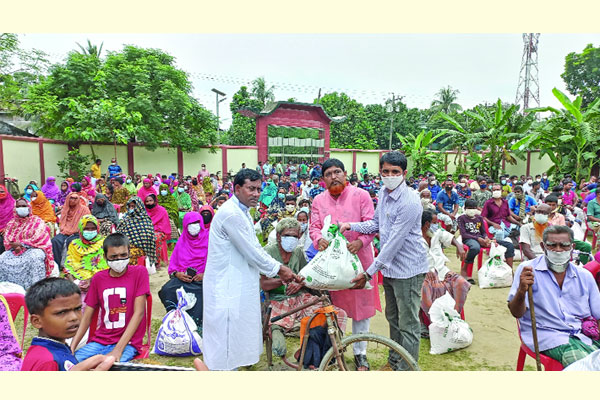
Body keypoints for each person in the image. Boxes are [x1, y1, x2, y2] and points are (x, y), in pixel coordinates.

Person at [203, 168, 299, 371]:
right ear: (237, 189)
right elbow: (252, 253)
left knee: (235, 335)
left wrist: (277, 268)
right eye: (251, 189)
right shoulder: (231, 214)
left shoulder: (242, 212)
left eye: (258, 189)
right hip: (226, 285)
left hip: (237, 282)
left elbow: (255, 247)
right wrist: (281, 270)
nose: (256, 193)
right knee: (226, 336)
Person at [339, 151, 428, 371]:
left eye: (395, 172)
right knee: (393, 317)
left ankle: (407, 369)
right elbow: (376, 224)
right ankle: (395, 360)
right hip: (390, 269)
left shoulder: (410, 201)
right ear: (380, 172)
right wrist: (352, 225)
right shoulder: (384, 192)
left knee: (408, 324)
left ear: (404, 173)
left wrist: (368, 273)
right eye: (386, 171)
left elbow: (393, 244)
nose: (390, 175)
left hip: (408, 269)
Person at [309, 158, 380, 371]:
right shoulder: (318, 201)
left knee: (361, 309)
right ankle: (335, 349)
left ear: (345, 173)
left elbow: (372, 224)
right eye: (328, 174)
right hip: (332, 264)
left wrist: (361, 241)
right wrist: (317, 239)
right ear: (323, 179)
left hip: (360, 260)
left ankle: (361, 353)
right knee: (335, 309)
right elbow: (314, 227)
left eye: (337, 172)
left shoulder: (361, 195)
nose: (334, 177)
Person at [508, 225, 600, 367]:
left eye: (564, 245)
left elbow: (598, 313)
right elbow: (516, 312)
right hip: (547, 335)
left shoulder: (584, 276)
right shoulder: (528, 270)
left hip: (582, 333)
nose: (558, 250)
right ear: (543, 246)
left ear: (572, 246)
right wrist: (521, 290)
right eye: (552, 245)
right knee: (583, 366)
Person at [261, 218, 348, 360]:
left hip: (301, 298)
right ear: (278, 236)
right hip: (279, 300)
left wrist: (300, 284)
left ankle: (325, 353)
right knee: (278, 320)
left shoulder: (298, 252)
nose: (292, 239)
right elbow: (264, 284)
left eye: (295, 236)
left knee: (337, 314)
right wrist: (282, 280)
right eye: (287, 235)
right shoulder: (268, 252)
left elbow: (304, 276)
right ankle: (276, 330)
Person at [70, 233, 150, 362]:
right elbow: (86, 317)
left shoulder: (139, 273)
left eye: (123, 255)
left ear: (129, 253)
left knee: (109, 366)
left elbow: (139, 313)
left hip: (128, 343)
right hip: (100, 341)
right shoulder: (98, 279)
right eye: (113, 256)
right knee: (70, 364)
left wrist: (118, 350)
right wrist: (71, 348)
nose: (119, 260)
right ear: (105, 257)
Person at [21, 278, 117, 371]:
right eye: (61, 313)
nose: (73, 317)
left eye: (77, 309)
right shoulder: (48, 361)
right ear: (37, 321)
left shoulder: (58, 348)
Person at [159, 210, 211, 331]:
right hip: (184, 280)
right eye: (191, 223)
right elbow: (173, 266)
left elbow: (217, 262)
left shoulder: (210, 239)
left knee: (204, 293)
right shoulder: (182, 242)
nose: (194, 226)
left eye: (197, 222)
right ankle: (176, 319)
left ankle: (198, 325)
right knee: (167, 290)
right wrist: (178, 274)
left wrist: (205, 274)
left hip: (203, 280)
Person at [420, 210, 469, 332]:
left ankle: (454, 316)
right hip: (422, 272)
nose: (437, 226)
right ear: (426, 224)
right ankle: (431, 322)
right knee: (426, 288)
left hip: (441, 269)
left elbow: (450, 237)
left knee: (461, 283)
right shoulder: (413, 237)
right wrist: (425, 270)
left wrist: (459, 246)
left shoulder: (436, 233)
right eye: (435, 223)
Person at [0, 198, 54, 290]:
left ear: (28, 207)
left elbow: (39, 237)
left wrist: (22, 244)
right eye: (18, 206)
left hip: (33, 249)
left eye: (24, 206)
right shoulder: (12, 223)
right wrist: (15, 245)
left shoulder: (36, 221)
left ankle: (35, 288)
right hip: (15, 250)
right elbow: (8, 239)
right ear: (15, 208)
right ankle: (8, 288)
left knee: (35, 257)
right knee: (3, 258)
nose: (21, 208)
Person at [64, 215, 108, 299]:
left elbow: (106, 266)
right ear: (81, 229)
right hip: (77, 279)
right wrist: (74, 283)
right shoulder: (74, 244)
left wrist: (92, 281)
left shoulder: (104, 242)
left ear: (98, 228)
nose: (90, 231)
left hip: (98, 278)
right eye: (86, 228)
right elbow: (68, 266)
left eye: (93, 228)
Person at [52, 193, 91, 268]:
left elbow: (87, 222)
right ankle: (57, 264)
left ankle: (71, 266)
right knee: (55, 241)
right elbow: (62, 223)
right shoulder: (65, 209)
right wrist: (66, 230)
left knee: (71, 242)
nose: (73, 200)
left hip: (78, 232)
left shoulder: (84, 209)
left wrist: (76, 230)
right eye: (71, 198)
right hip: (65, 231)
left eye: (75, 198)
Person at [116, 197, 157, 267]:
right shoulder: (125, 218)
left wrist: (136, 243)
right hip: (126, 246)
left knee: (130, 255)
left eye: (133, 206)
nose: (131, 208)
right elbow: (119, 234)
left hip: (142, 248)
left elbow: (148, 236)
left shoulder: (145, 219)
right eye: (130, 206)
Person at [143, 194, 171, 267]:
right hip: (147, 230)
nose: (149, 203)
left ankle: (158, 262)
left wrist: (154, 229)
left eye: (151, 201)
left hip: (160, 231)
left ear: (155, 201)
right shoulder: (143, 211)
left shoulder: (162, 210)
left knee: (156, 237)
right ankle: (146, 262)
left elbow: (165, 224)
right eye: (147, 201)